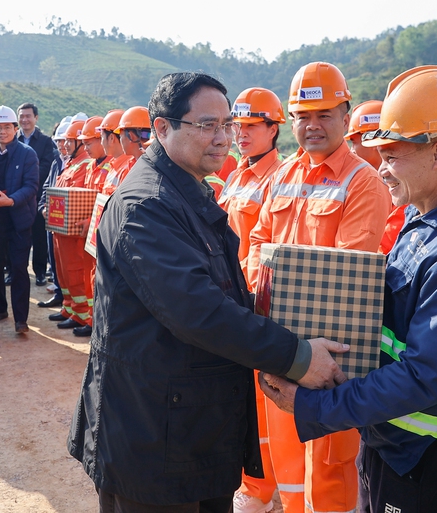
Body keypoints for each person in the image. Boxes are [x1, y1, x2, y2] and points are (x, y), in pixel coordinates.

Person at [67, 71, 350, 512]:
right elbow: (199, 311)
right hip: (152, 441)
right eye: (207, 125)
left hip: (190, 430)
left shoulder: (188, 193)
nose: (223, 138)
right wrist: (296, 355)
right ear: (163, 128)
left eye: (227, 125)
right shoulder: (146, 206)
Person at [260, 65, 437, 513]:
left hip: (429, 457)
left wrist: (317, 405)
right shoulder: (426, 219)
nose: (382, 170)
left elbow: (422, 376)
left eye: (393, 157)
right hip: (396, 440)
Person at [247, 61, 392, 513]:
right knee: (288, 462)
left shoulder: (362, 183)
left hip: (329, 353)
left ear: (346, 116)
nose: (312, 126)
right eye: (302, 116)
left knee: (330, 467)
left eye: (324, 114)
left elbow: (347, 277)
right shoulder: (283, 176)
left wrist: (302, 346)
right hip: (280, 345)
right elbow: (257, 241)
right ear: (290, 122)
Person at [223, 87, 287, 513]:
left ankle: (262, 488)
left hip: (256, 301)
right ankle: (251, 479)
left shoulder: (276, 178)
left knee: (265, 403)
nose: (240, 134)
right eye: (237, 126)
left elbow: (267, 246)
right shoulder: (236, 175)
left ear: (274, 129)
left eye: (250, 126)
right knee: (243, 400)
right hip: (231, 297)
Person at [0, 105, 39, 334]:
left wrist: (10, 200)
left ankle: (21, 319)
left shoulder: (27, 154)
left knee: (19, 268)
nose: (2, 131)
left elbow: (31, 186)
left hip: (19, 220)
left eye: (6, 127)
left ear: (15, 128)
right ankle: (0, 308)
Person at [49, 118, 93, 334]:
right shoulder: (72, 163)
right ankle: (69, 307)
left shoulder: (85, 165)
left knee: (76, 272)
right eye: (64, 141)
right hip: (61, 230)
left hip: (74, 231)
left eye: (70, 141)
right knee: (63, 271)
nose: (65, 145)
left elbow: (81, 199)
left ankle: (82, 314)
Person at [344, 100, 406, 255]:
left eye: (353, 142)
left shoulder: (404, 191)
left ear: (372, 141)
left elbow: (383, 248)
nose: (351, 150)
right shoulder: (359, 184)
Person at [72, 115, 112, 337]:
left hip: (99, 232)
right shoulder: (91, 166)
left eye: (89, 143)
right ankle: (90, 317)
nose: (85, 148)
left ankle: (94, 320)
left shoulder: (115, 167)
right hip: (87, 233)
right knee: (89, 276)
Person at [37, 116, 76, 309]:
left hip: (68, 223)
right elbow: (47, 186)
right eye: (59, 141)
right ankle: (61, 296)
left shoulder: (77, 164)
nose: (62, 145)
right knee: (55, 260)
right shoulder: (56, 162)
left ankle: (70, 303)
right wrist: (43, 206)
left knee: (70, 266)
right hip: (52, 219)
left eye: (65, 141)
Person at [17, 103, 56, 287]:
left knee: (39, 235)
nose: (25, 120)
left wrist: (28, 180)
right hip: (16, 197)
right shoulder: (12, 139)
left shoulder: (45, 141)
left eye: (28, 116)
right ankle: (15, 270)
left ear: (36, 118)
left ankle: (40, 271)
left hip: (37, 195)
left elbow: (47, 166)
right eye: (22, 116)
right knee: (16, 234)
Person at [101, 106, 149, 194]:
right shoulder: (133, 164)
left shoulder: (136, 168)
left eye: (120, 135)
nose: (120, 139)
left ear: (131, 136)